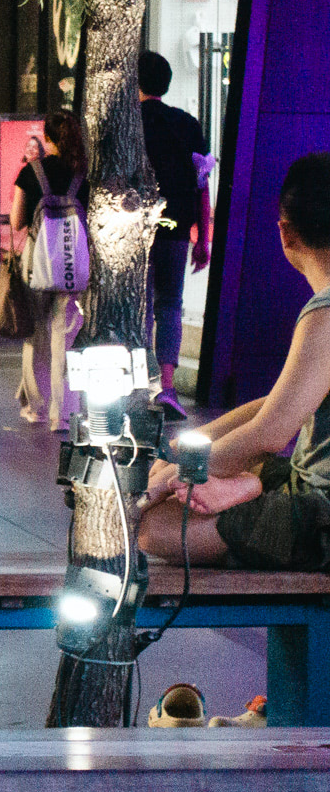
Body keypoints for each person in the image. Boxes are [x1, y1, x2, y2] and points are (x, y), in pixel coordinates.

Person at [142, 153, 330, 572]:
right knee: (171, 466)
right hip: (307, 488)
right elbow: (274, 406)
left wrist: (156, 490)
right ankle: (248, 487)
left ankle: (249, 488)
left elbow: (270, 432)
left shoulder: (325, 315)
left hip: (322, 517)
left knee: (155, 527)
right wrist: (178, 458)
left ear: (286, 233)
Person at [139, 52, 212, 418]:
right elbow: (202, 183)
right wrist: (205, 236)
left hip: (133, 230)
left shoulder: (128, 123)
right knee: (170, 306)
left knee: (141, 306)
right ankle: (167, 387)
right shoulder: (187, 124)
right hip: (177, 228)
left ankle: (139, 383)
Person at [10, 111, 90, 432]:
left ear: (48, 138)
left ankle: (37, 409)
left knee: (35, 336)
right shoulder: (83, 176)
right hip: (72, 262)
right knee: (64, 338)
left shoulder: (32, 171)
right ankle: (63, 414)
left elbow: (16, 222)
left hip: (37, 261)